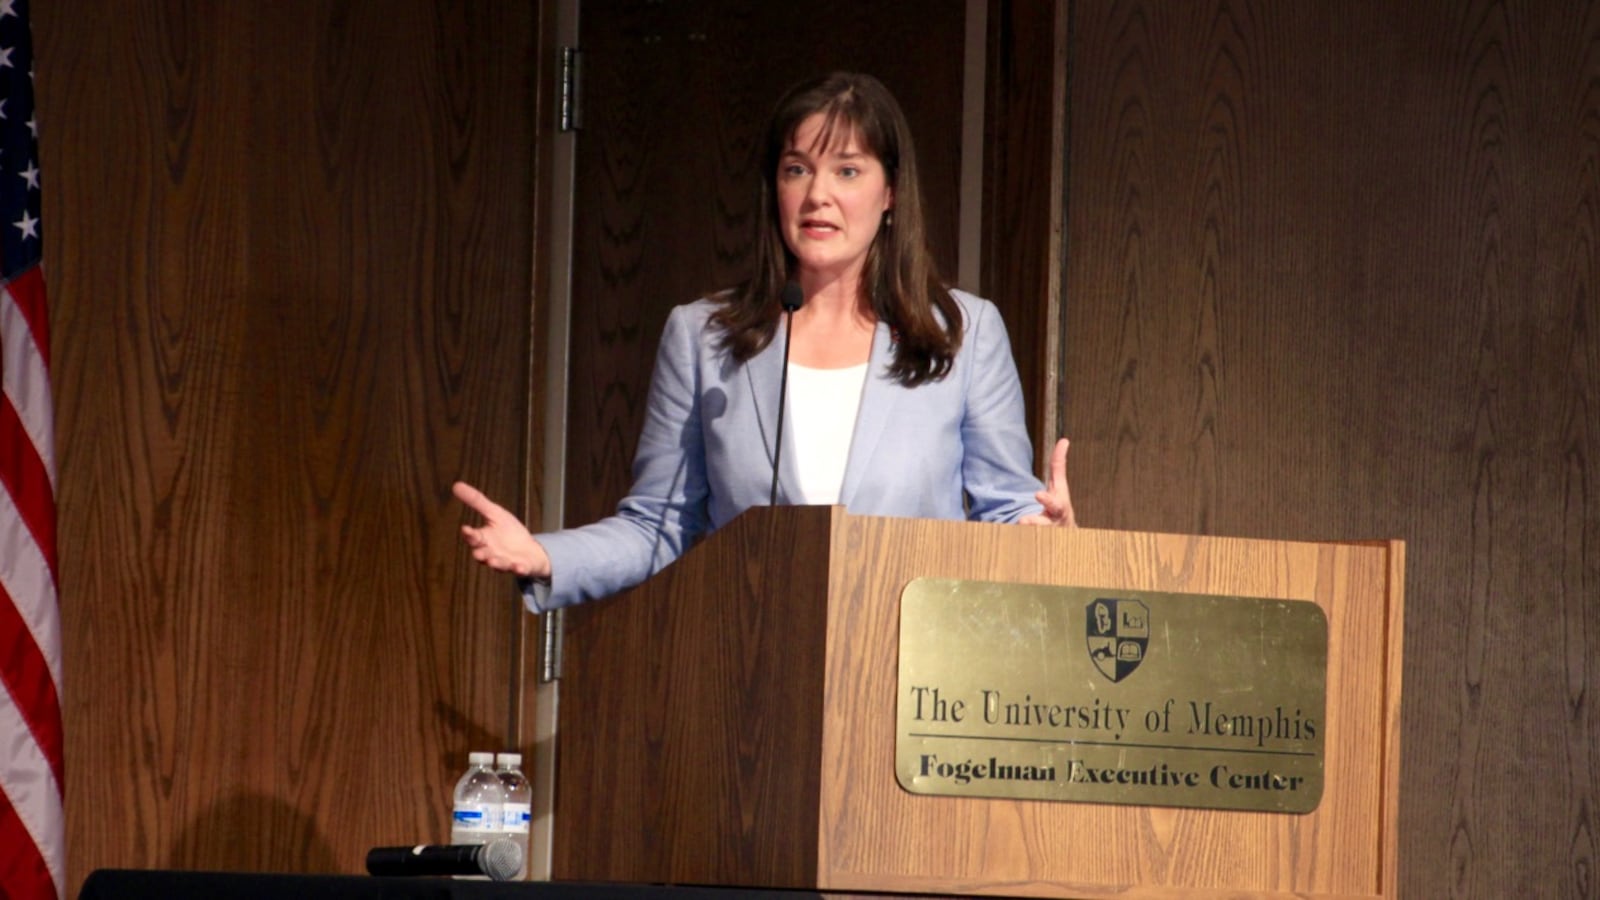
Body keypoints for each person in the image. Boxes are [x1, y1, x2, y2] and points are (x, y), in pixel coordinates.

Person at [453, 71, 1075, 610]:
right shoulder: (704, 338)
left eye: (848, 170)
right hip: (752, 677)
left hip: (912, 679)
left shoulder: (960, 334)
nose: (817, 195)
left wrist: (1043, 529)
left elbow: (1005, 514)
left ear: (889, 194)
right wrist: (544, 555)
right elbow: (661, 524)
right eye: (796, 169)